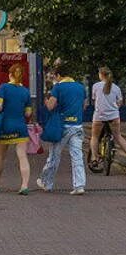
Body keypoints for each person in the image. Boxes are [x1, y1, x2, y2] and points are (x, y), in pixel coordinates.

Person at [39, 62, 87, 194]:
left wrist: (46, 100)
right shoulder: (80, 87)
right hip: (77, 125)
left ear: (59, 75)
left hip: (62, 126)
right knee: (77, 156)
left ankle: (46, 183)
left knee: (54, 156)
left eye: (56, 76)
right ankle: (79, 185)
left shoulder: (58, 88)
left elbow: (50, 106)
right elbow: (84, 106)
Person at [0, 62, 33, 194]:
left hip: (5, 127)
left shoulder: (3, 88)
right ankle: (24, 185)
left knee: (0, 157)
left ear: (10, 75)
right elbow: (28, 113)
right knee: (22, 156)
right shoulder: (25, 91)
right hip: (20, 127)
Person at [88, 66, 126, 169]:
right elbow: (120, 102)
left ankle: (95, 159)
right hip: (114, 116)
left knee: (95, 137)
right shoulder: (116, 87)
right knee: (118, 137)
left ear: (101, 74)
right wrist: (114, 108)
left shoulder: (96, 86)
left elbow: (94, 99)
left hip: (99, 116)